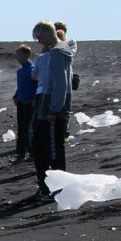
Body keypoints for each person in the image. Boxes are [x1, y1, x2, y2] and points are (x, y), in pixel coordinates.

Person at [31, 20, 74, 199]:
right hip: (47, 104)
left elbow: (60, 83)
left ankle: (55, 188)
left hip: (53, 107)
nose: (38, 42)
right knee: (40, 147)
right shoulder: (56, 51)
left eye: (39, 37)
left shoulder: (57, 53)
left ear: (48, 34)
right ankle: (48, 186)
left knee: (51, 150)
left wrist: (54, 109)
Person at [12, 44, 37, 162]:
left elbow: (37, 85)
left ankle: (32, 152)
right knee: (21, 128)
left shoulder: (32, 69)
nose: (18, 58)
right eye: (17, 56)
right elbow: (20, 86)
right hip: (21, 101)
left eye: (20, 56)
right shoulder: (20, 71)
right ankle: (21, 152)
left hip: (29, 102)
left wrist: (35, 99)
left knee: (28, 128)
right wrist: (16, 96)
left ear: (27, 55)